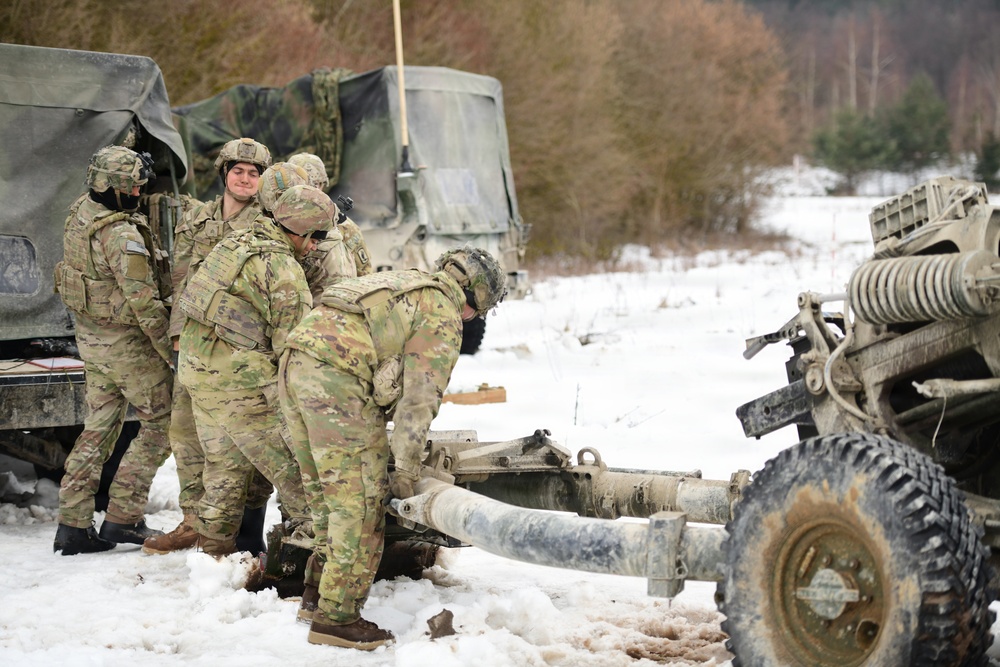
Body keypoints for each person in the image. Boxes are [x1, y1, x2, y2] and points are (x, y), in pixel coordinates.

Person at [278, 246, 506, 649]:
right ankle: (337, 618)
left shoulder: (405, 282)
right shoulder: (442, 313)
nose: (473, 319)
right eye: (478, 312)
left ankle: (316, 595)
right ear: (475, 299)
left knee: (326, 496)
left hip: (295, 364)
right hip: (337, 379)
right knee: (361, 503)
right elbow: (418, 401)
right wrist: (405, 470)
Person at [174, 185, 334, 557]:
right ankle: (310, 560)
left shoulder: (236, 242)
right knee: (294, 472)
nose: (316, 247)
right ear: (300, 231)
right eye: (317, 237)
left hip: (198, 373)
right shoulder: (285, 275)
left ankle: (213, 558)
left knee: (224, 470)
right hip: (239, 383)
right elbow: (292, 357)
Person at [144, 138, 273, 555]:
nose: (246, 179)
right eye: (239, 171)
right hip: (195, 348)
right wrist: (178, 334)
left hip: (240, 351)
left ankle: (243, 529)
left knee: (243, 441)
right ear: (224, 173)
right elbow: (181, 280)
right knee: (185, 435)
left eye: (254, 174)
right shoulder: (197, 218)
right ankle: (194, 522)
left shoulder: (267, 223)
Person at [52, 145, 173, 555]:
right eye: (135, 186)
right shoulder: (120, 234)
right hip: (127, 348)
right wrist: (169, 352)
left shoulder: (81, 211)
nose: (140, 194)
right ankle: (123, 516)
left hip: (92, 341)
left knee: (99, 429)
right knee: (163, 421)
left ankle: (72, 523)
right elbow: (144, 303)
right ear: (118, 187)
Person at [288, 152, 373, 282]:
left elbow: (365, 276)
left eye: (315, 185)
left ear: (322, 186)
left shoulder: (344, 227)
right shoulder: (280, 221)